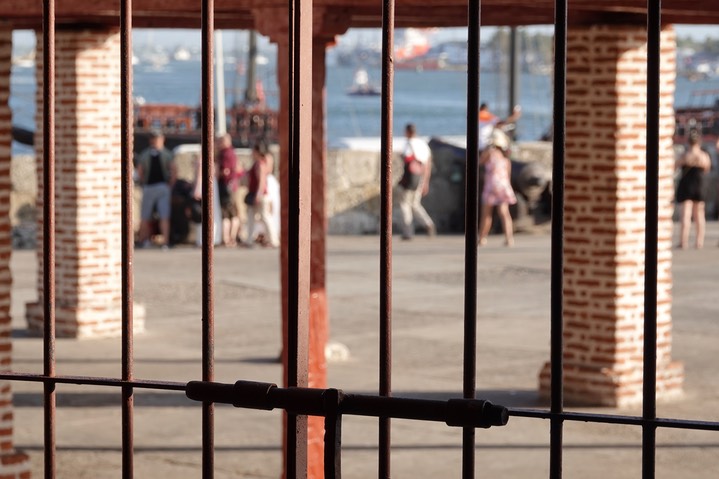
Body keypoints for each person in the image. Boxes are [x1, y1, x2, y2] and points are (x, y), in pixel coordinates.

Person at [135, 130, 176, 249]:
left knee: (164, 215)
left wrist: (170, 185)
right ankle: (144, 239)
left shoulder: (166, 154)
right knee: (145, 215)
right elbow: (140, 170)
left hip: (161, 186)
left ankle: (165, 241)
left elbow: (173, 170)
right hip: (150, 186)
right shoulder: (146, 154)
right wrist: (144, 182)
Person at [478, 128, 517, 247]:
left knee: (486, 214)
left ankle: (482, 238)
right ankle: (509, 238)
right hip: (503, 185)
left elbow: (480, 162)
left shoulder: (490, 152)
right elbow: (508, 175)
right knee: (504, 213)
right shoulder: (505, 157)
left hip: (491, 185)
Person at [398, 123, 436, 240]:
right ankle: (428, 224)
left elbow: (406, 159)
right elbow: (427, 164)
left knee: (404, 204)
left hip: (409, 179)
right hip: (420, 178)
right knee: (415, 204)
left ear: (408, 132)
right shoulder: (423, 144)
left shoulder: (409, 144)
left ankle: (408, 232)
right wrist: (426, 181)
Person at [676, 130, 711, 249]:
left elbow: (675, 166)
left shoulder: (685, 155)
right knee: (699, 214)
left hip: (686, 185)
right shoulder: (703, 156)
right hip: (699, 185)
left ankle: (683, 241)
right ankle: (699, 241)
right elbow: (707, 168)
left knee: (686, 214)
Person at [244, 141, 280, 248]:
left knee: (265, 216)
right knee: (253, 217)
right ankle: (250, 239)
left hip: (260, 194)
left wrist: (258, 194)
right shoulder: (258, 163)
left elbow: (262, 181)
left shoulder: (259, 164)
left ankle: (273, 240)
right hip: (258, 194)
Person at [216, 133, 243, 246]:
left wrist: (217, 174)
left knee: (227, 214)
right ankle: (231, 238)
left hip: (226, 185)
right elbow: (239, 170)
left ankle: (228, 238)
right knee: (232, 214)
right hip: (232, 186)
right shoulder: (232, 153)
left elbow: (226, 171)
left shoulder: (225, 154)